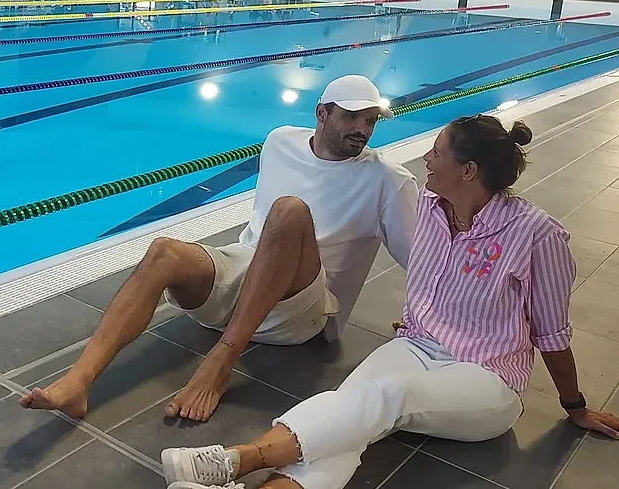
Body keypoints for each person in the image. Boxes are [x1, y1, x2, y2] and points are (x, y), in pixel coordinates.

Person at [160, 114, 619, 489]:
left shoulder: (537, 236)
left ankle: (235, 460)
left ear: (470, 170)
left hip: (488, 377)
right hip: (418, 344)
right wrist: (422, 316)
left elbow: (551, 334)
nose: (426, 160)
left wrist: (576, 406)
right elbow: (434, 276)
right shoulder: (433, 209)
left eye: (437, 153)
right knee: (349, 413)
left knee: (384, 399)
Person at [20, 75, 417, 422]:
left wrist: (423, 322)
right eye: (351, 116)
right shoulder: (280, 142)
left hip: (304, 311)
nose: (362, 129)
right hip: (246, 276)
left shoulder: (387, 179)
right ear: (321, 113)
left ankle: (220, 362)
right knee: (164, 251)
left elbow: (420, 260)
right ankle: (78, 382)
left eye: (370, 120)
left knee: (289, 211)